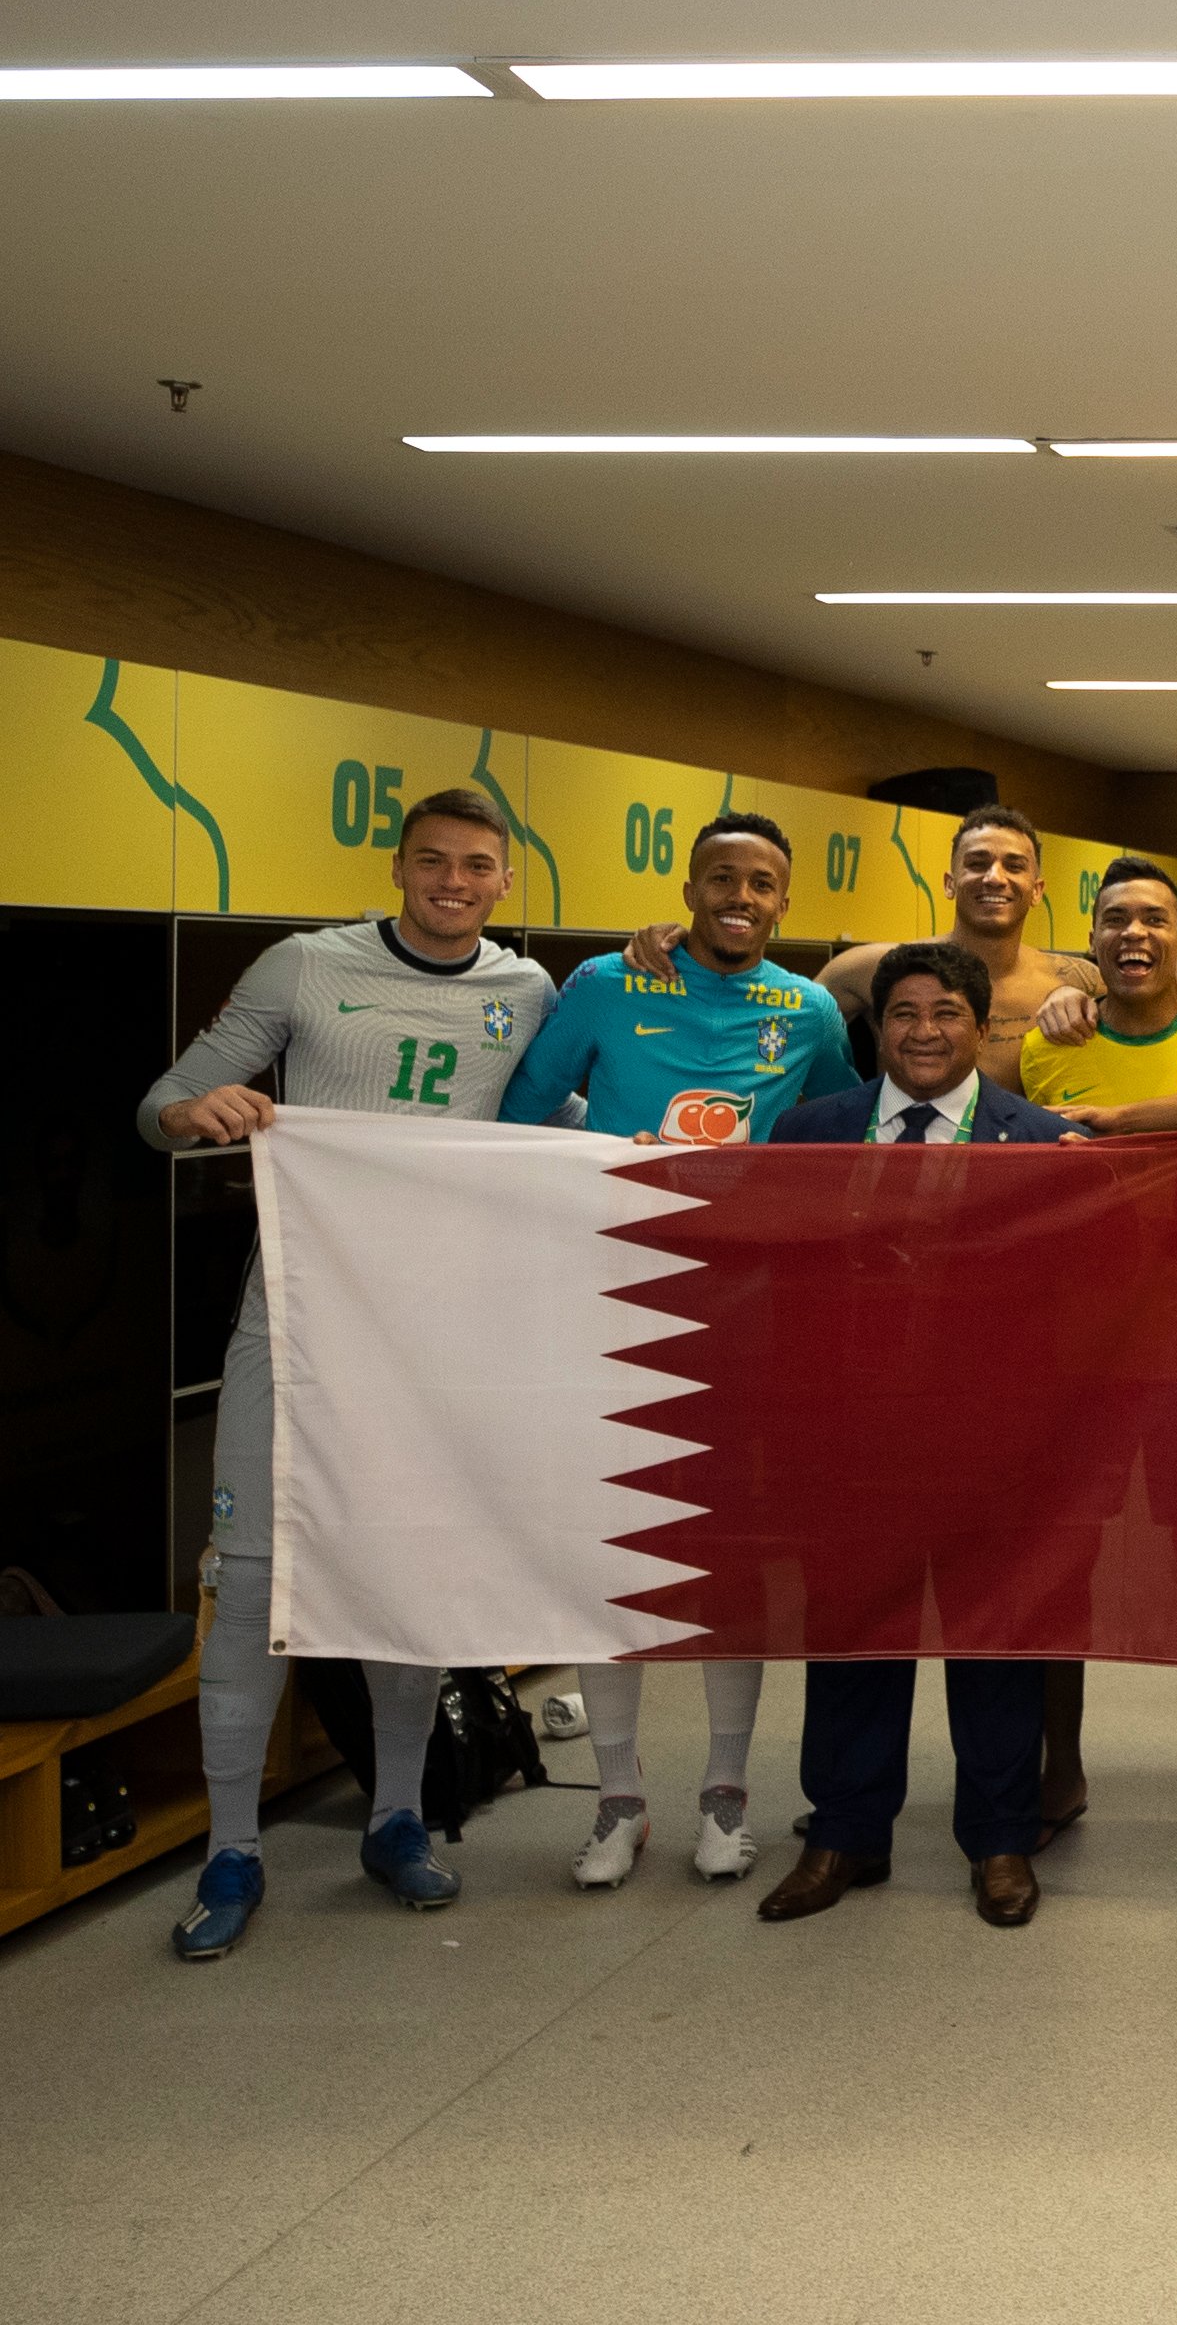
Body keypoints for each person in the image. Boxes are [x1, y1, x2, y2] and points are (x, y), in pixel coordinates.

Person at [139, 788, 558, 1958]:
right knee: (255, 1572)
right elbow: (160, 1104)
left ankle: (395, 1815)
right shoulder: (305, 966)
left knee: (405, 1568)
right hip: (296, 1314)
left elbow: (546, 1111)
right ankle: (231, 1846)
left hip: (429, 1330)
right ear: (398, 866)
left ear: (506, 881)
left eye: (477, 864)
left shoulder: (527, 991)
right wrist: (197, 1109)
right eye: (433, 860)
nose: (453, 881)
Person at [499, 809, 852, 1890]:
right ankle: (615, 1798)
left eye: (760, 883)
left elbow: (835, 1135)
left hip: (748, 1312)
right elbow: (520, 1113)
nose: (738, 898)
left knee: (724, 1551)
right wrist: (610, 1156)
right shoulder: (606, 983)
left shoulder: (809, 1006)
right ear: (686, 888)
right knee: (610, 1547)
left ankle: (725, 1794)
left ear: (785, 901)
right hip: (610, 1298)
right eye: (719, 879)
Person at [756, 944, 1083, 1929]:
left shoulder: (1043, 1144)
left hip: (993, 1442)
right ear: (876, 1026)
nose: (926, 1030)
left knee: (996, 1640)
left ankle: (999, 1840)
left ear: (983, 1028)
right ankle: (845, 1832)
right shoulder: (811, 1132)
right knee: (851, 1633)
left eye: (947, 1012)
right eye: (904, 1012)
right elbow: (773, 1286)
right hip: (850, 1437)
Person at [1011, 855, 1177, 1852]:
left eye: (1152, 918)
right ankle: (1058, 1768)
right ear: (1092, 933)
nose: (1133, 935)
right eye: (1114, 919)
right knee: (1061, 1559)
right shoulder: (1047, 1044)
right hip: (1076, 1344)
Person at [629, 804, 1092, 1093]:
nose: (994, 877)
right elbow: (768, 1015)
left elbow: (1161, 991)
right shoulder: (872, 968)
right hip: (900, 1169)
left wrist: (1078, 999)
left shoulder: (1075, 979)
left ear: (1037, 889)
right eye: (976, 863)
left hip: (1020, 1187)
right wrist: (693, 946)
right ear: (950, 883)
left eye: (1014, 865)